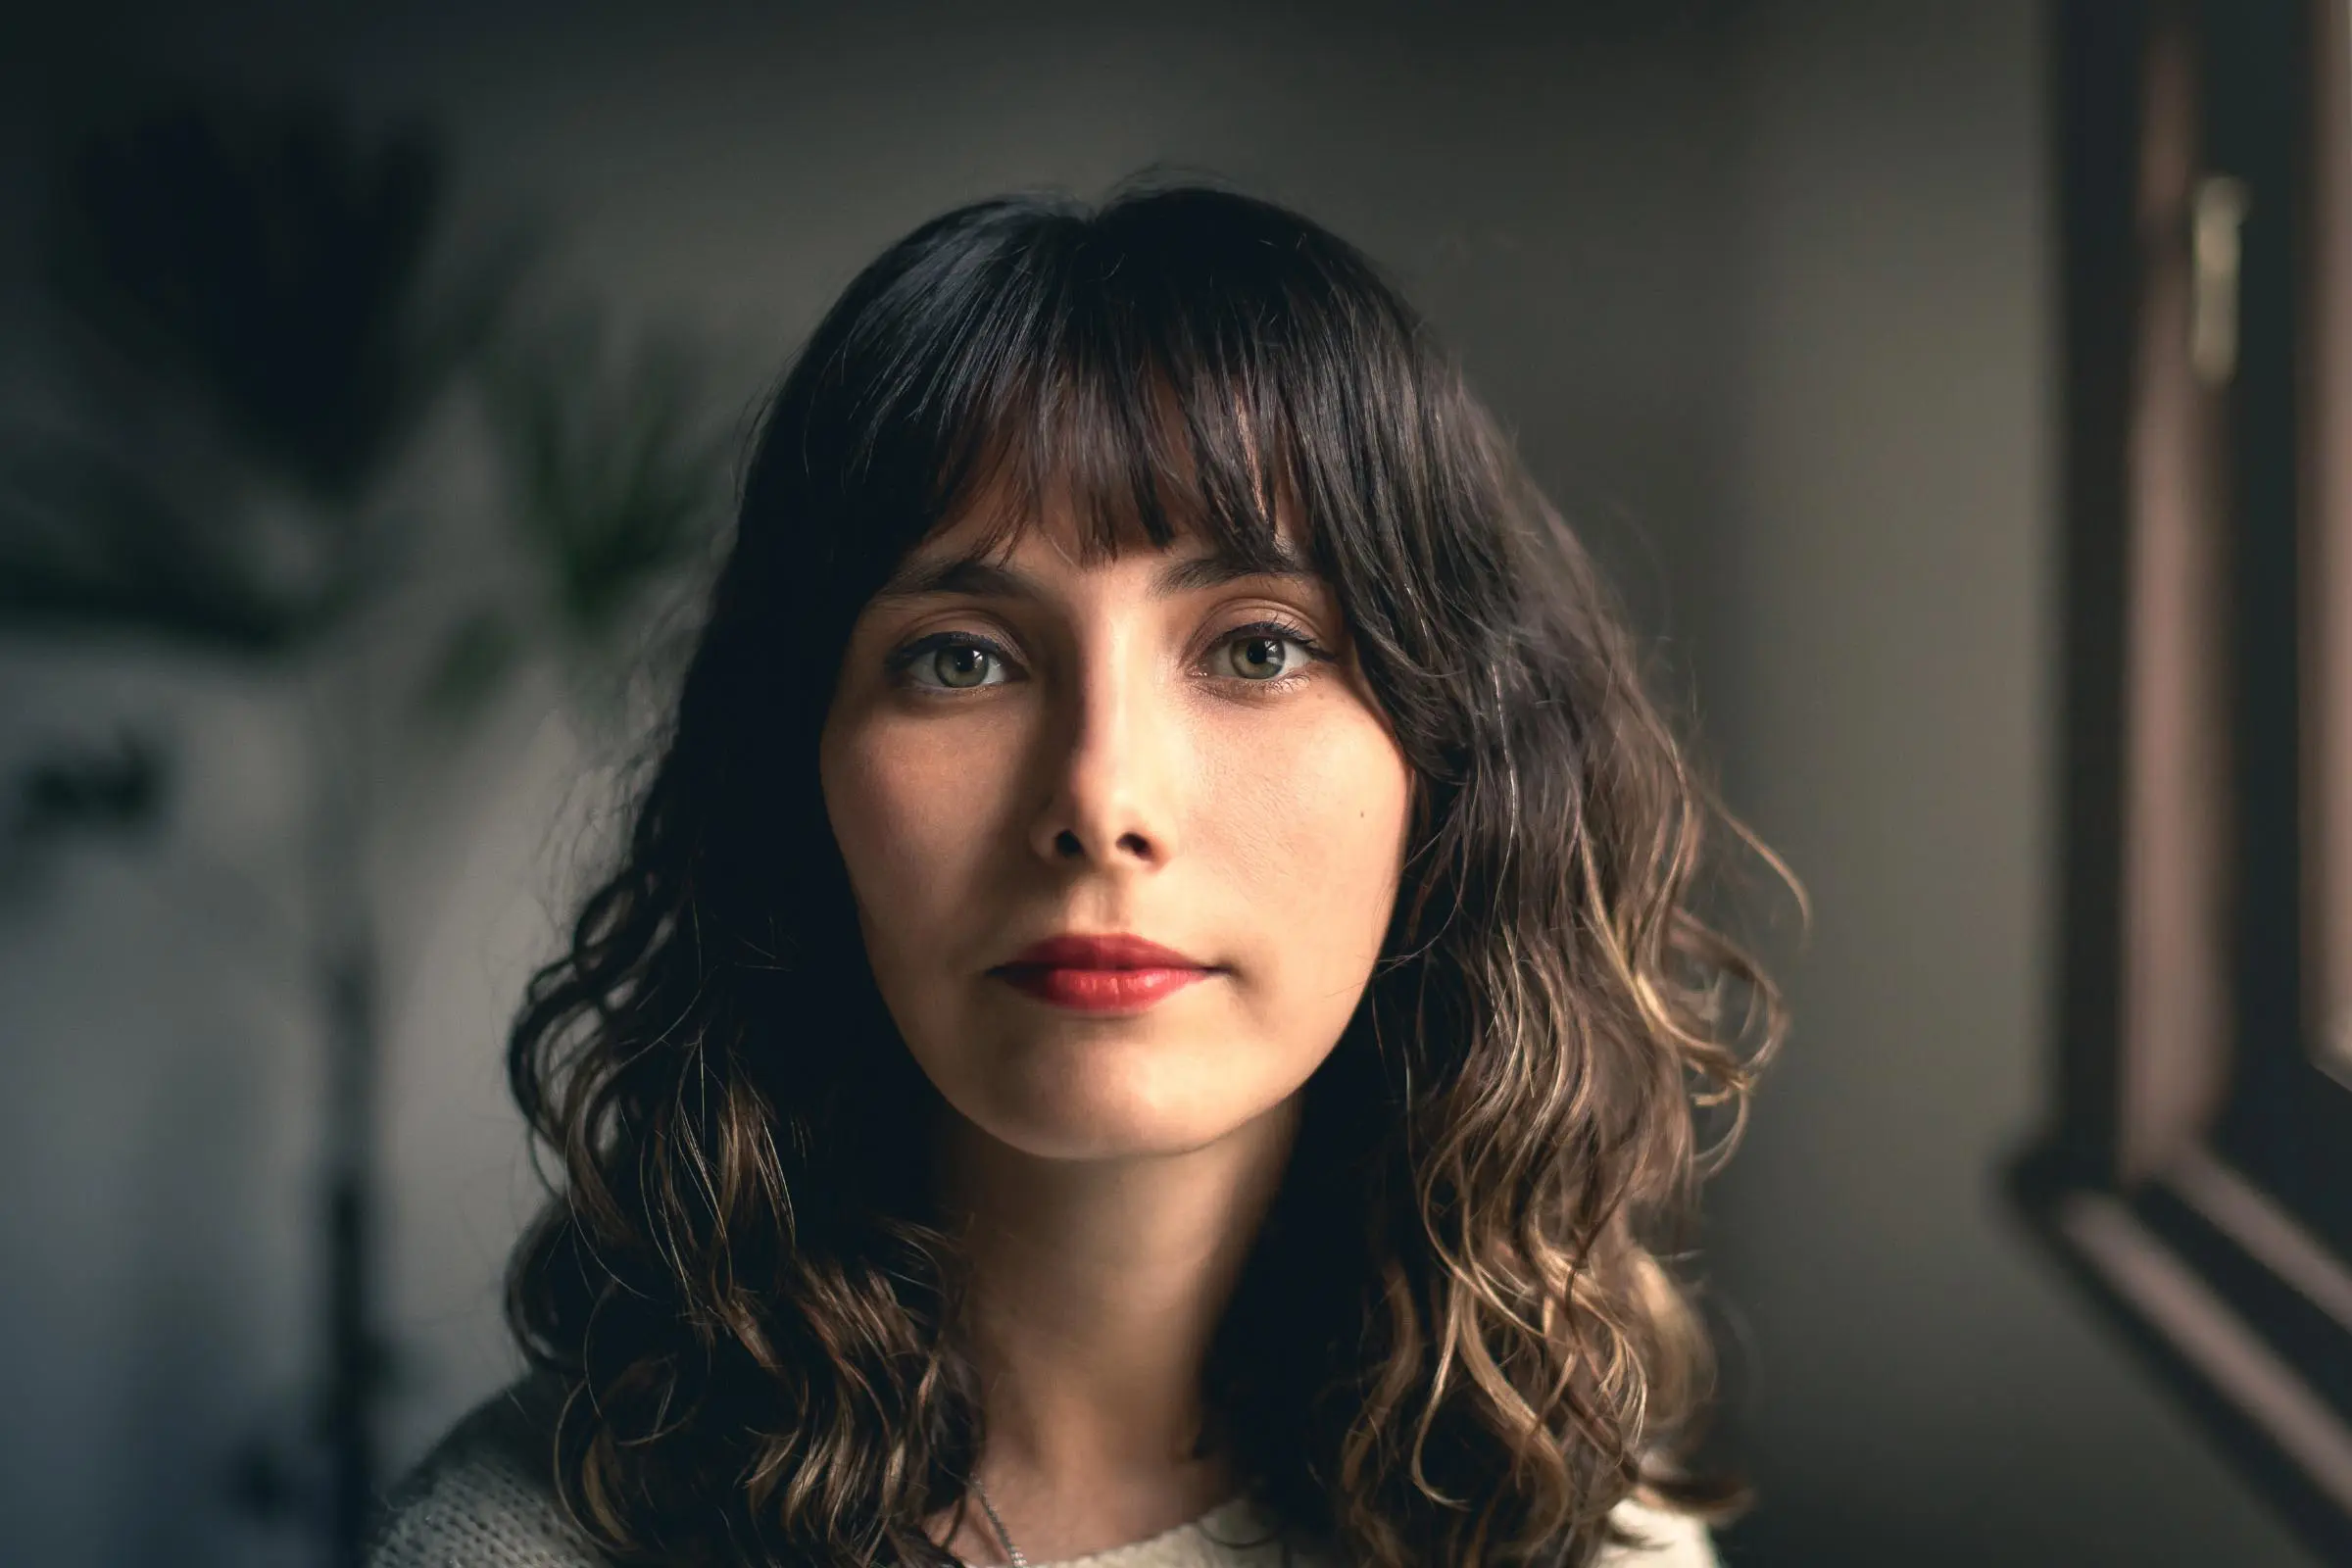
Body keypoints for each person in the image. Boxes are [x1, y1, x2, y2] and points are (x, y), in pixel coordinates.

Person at [366, 180, 1788, 1568]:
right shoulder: (522, 1544)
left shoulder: (1590, 1536)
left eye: (1257, 648)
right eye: (962, 659)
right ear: (800, 779)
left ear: (1454, 768)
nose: (1101, 800)